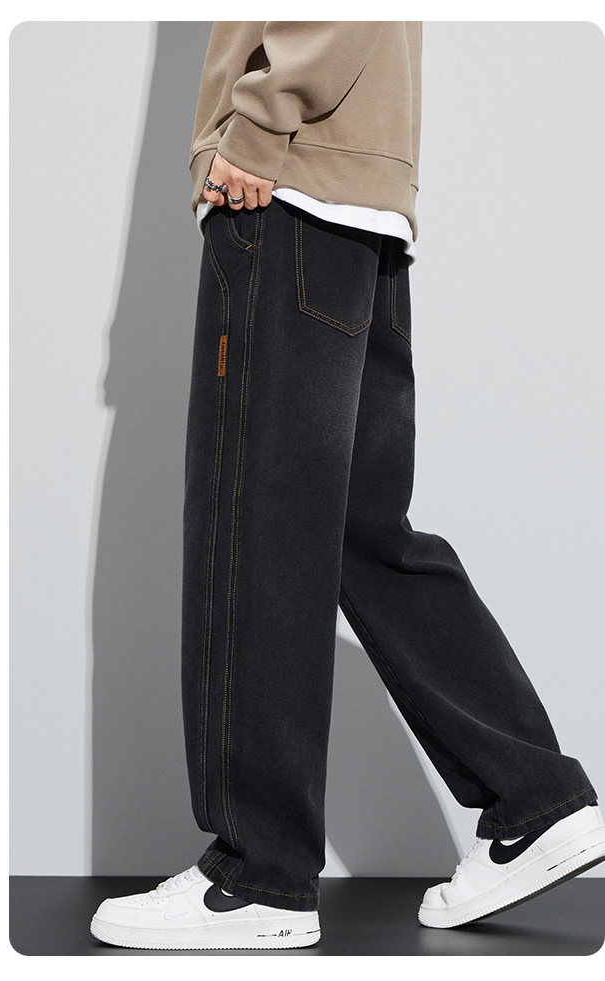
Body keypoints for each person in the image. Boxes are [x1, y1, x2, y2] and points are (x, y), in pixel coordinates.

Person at [90, 21, 604, 950]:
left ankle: (258, 875)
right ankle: (535, 797)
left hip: (285, 186)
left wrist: (256, 127)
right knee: (361, 535)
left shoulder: (272, 145)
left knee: (255, 528)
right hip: (357, 202)